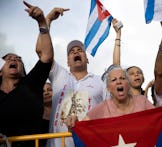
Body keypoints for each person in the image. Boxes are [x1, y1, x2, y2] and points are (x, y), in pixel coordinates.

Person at [36, 8, 107, 147]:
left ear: (87, 59)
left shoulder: (100, 81)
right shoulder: (59, 75)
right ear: (68, 61)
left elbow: (113, 109)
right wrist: (46, 22)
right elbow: (42, 52)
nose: (76, 52)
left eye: (80, 50)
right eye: (71, 51)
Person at [0, 1, 53, 147]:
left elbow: (47, 57)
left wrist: (42, 22)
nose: (13, 59)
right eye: (8, 58)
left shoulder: (31, 85)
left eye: (18, 59)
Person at [64, 66, 162, 127]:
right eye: (114, 80)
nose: (119, 82)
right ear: (108, 88)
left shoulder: (142, 101)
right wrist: (73, 122)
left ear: (128, 84)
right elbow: (80, 128)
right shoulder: (101, 108)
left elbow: (160, 121)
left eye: (122, 78)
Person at [40, 82, 53, 146]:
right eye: (43, 91)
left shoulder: (63, 114)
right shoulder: (34, 117)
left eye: (50, 90)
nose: (46, 93)